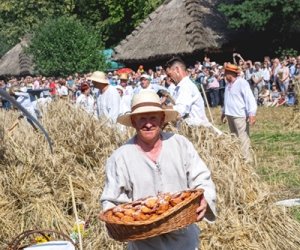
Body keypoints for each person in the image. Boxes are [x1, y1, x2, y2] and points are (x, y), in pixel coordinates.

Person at [100, 90, 216, 250]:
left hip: (184, 241)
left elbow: (202, 178)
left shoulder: (180, 145)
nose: (148, 124)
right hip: (145, 244)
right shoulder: (120, 157)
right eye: (142, 118)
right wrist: (125, 221)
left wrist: (205, 198)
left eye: (153, 117)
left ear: (162, 119)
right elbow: (110, 201)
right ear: (133, 122)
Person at [165, 57, 221, 134]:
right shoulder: (179, 87)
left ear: (177, 70)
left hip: (198, 132)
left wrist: (161, 110)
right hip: (190, 131)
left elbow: (180, 110)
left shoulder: (185, 86)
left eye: (169, 75)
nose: (169, 79)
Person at [221, 63, 257, 163]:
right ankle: (238, 157)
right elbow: (226, 99)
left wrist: (252, 114)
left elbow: (249, 98)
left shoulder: (242, 83)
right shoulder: (228, 84)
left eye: (226, 72)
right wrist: (223, 112)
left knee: (243, 138)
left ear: (231, 73)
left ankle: (246, 159)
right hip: (230, 114)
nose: (224, 74)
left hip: (239, 115)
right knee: (234, 137)